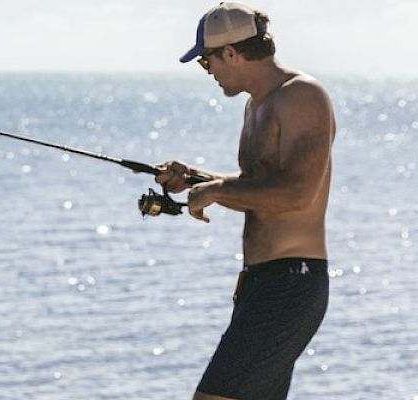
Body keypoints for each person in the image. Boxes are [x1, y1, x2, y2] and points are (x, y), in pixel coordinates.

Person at [155, 3, 337, 399]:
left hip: (291, 282)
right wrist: (198, 179)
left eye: (207, 62)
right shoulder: (256, 105)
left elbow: (296, 193)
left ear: (231, 53)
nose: (209, 73)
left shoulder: (301, 96)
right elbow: (259, 186)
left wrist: (216, 191)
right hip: (260, 283)